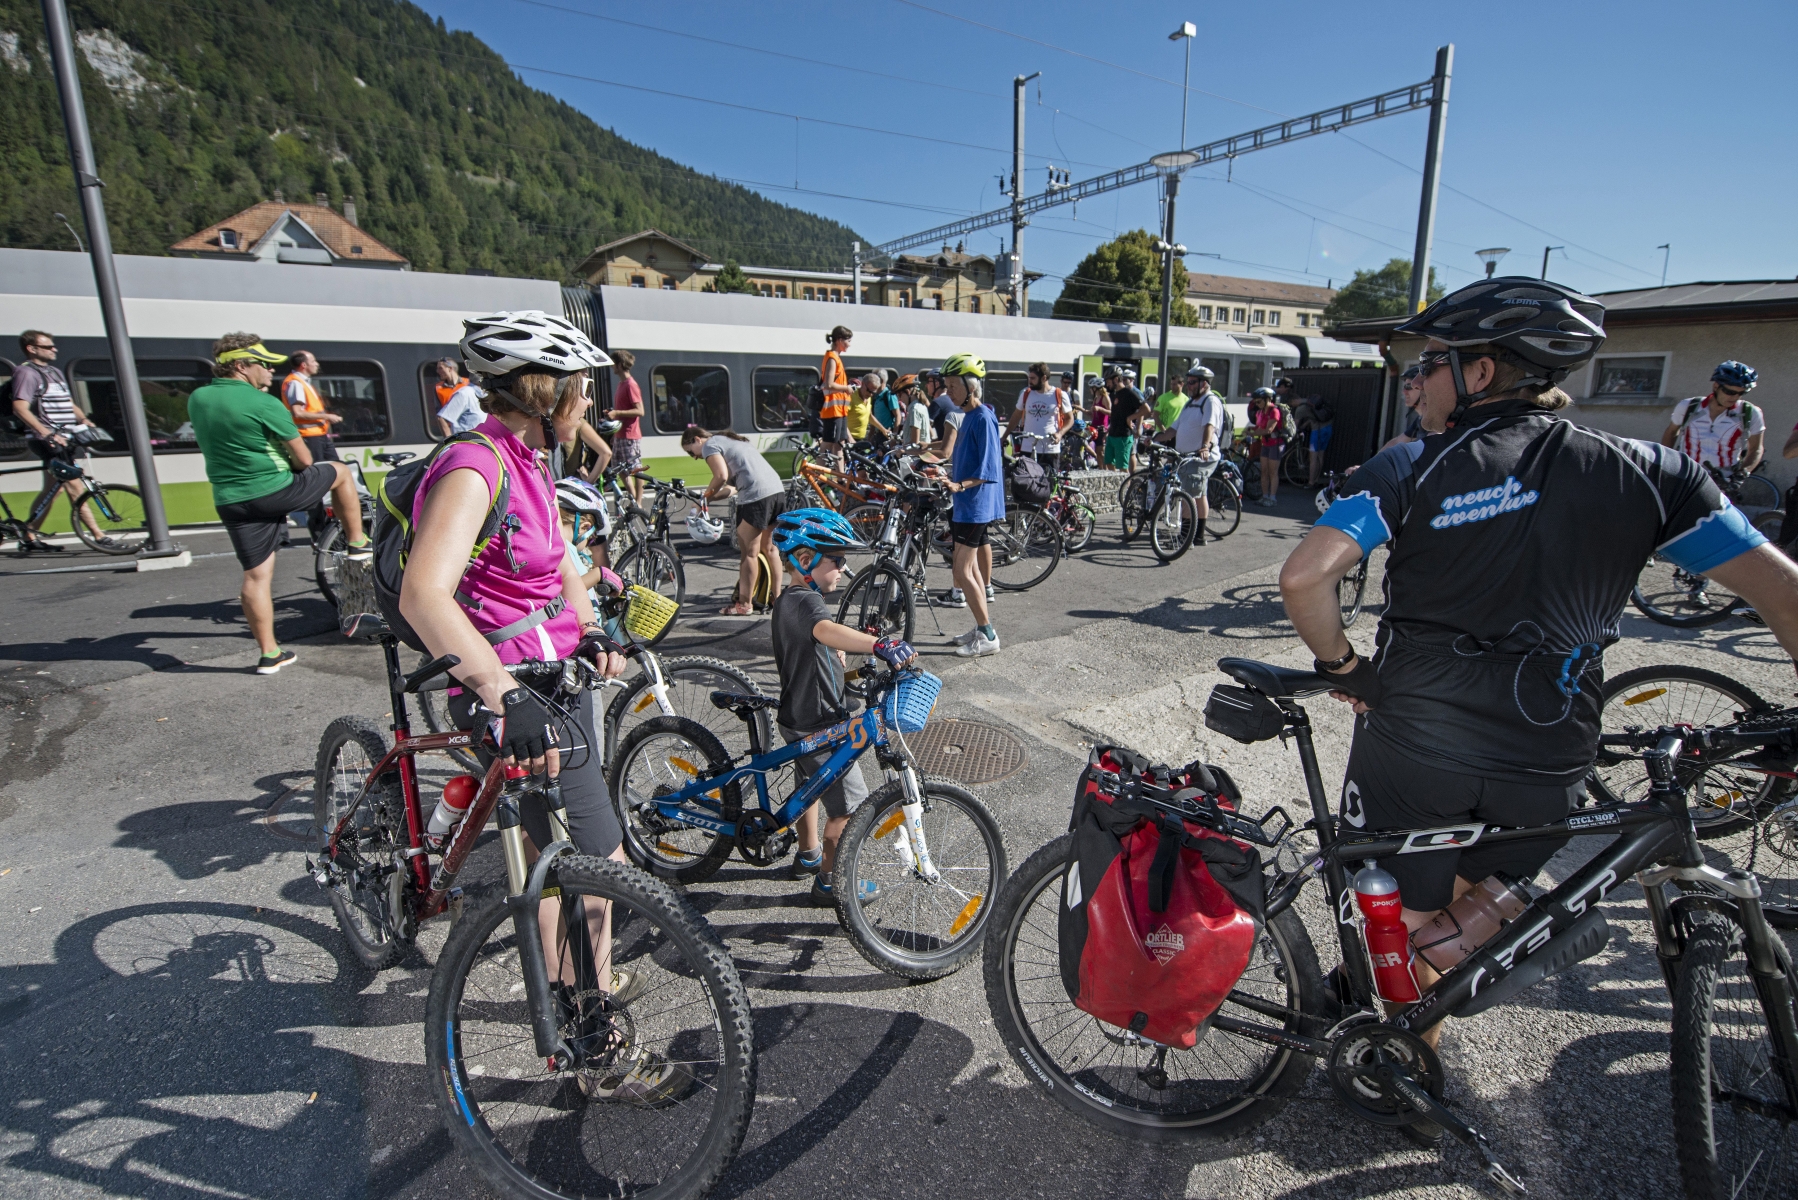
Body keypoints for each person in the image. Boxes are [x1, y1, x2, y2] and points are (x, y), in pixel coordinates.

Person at [1278, 278, 1798, 1070]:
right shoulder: (1656, 472)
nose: (1416, 383)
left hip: (1417, 740)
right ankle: (1405, 1018)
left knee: (1403, 919)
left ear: (1482, 374)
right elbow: (1785, 594)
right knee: (1464, 912)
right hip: (1551, 744)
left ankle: (1404, 1067)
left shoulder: (1410, 463)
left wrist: (1346, 666)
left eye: (1431, 364)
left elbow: (1305, 579)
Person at [399, 311, 679, 1102]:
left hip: (553, 679)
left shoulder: (529, 458)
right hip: (513, 692)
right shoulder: (473, 463)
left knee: (556, 860)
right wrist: (503, 693)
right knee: (599, 864)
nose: (588, 405)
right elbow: (426, 593)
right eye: (580, 391)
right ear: (545, 389)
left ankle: (566, 992)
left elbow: (557, 567)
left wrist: (594, 630)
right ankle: (593, 1045)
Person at [188, 334, 369, 675]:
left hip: (230, 499)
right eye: (264, 364)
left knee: (256, 577)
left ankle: (270, 654)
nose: (271, 370)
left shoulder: (198, 398)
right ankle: (358, 543)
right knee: (341, 473)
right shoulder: (264, 403)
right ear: (241, 366)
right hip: (273, 489)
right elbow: (302, 461)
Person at [770, 507, 918, 904]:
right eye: (837, 560)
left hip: (797, 716)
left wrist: (846, 671)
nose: (843, 569)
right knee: (848, 810)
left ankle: (808, 854)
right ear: (806, 560)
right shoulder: (807, 603)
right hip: (820, 723)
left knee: (809, 790)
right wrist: (878, 643)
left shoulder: (789, 600)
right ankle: (829, 883)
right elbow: (824, 630)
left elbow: (815, 645)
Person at [8, 328, 109, 548]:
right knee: (75, 486)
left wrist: (84, 420)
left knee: (55, 488)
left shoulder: (54, 371)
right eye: (48, 346)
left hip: (64, 436)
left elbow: (67, 402)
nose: (55, 349)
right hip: (48, 439)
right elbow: (20, 408)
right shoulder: (26, 373)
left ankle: (29, 535)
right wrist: (45, 432)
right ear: (32, 349)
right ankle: (99, 536)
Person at [936, 353, 1004, 653]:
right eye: (946, 385)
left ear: (971, 387)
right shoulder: (970, 417)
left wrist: (958, 484)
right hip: (967, 502)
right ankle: (981, 627)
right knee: (970, 569)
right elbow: (967, 461)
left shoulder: (983, 417)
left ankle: (988, 636)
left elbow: (988, 470)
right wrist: (947, 472)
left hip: (974, 504)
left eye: (952, 385)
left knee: (962, 571)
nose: (947, 391)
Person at [681, 425, 786, 615]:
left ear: (697, 439)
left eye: (691, 453)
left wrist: (702, 500)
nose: (696, 457)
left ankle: (744, 604)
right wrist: (708, 499)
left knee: (749, 553)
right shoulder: (731, 441)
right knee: (770, 549)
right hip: (776, 492)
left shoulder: (709, 445)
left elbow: (720, 476)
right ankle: (777, 599)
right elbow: (733, 488)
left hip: (756, 498)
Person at [1154, 365, 1222, 546]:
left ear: (1204, 383)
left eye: (1192, 382)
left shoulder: (1210, 401)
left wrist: (1205, 447)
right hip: (1187, 456)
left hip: (1199, 457)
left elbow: (1210, 425)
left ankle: (1185, 539)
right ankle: (1198, 536)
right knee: (1199, 495)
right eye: (1189, 382)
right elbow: (1173, 429)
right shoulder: (1190, 403)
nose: (1189, 386)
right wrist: (1155, 439)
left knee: (1187, 496)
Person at [1660, 360, 1764, 478]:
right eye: (1729, 392)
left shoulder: (1750, 413)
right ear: (1716, 386)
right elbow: (1671, 432)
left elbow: (1756, 448)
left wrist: (1743, 473)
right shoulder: (1688, 407)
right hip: (1687, 474)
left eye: (1741, 393)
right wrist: (1665, 463)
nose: (1734, 397)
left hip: (1724, 478)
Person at [1008, 361, 1074, 469]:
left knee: (1049, 483)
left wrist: (1060, 434)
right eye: (1029, 378)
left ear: (1044, 378)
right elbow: (1016, 416)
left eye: (1033, 378)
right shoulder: (1026, 393)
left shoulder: (1059, 395)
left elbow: (1070, 419)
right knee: (1027, 483)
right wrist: (1004, 436)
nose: (1030, 381)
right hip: (1028, 448)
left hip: (1050, 449)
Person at [281, 351, 341, 462]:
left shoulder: (304, 382)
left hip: (319, 434)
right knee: (319, 470)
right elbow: (297, 412)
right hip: (310, 436)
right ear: (304, 365)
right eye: (313, 361)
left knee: (336, 467)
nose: (317, 364)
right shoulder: (295, 383)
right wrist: (327, 417)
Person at [606, 349, 645, 502]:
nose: (612, 367)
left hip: (630, 435)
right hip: (620, 434)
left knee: (635, 469)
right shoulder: (622, 384)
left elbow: (640, 411)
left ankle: (639, 502)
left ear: (620, 365)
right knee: (620, 469)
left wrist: (616, 413)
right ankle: (633, 498)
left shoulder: (630, 385)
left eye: (614, 364)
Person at [818, 325, 854, 464]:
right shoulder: (832, 358)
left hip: (840, 411)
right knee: (827, 443)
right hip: (833, 411)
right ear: (839, 340)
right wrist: (846, 388)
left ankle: (841, 480)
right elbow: (829, 384)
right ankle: (818, 476)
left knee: (840, 444)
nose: (849, 345)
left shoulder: (836, 358)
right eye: (848, 341)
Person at [1247, 386, 1285, 506]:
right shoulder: (1259, 412)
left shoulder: (1274, 411)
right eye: (1255, 402)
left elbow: (1268, 430)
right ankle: (1264, 496)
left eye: (1259, 401)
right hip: (1265, 444)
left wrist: (1251, 433)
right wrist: (1250, 430)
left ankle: (1272, 498)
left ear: (1268, 399)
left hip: (1275, 444)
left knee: (1272, 472)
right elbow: (1259, 427)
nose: (1257, 404)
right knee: (1264, 471)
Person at [1103, 368, 1146, 472]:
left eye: (1108, 382)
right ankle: (1116, 484)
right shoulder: (1113, 394)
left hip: (1123, 436)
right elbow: (1116, 413)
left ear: (1116, 379)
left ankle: (1126, 486)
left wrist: (1130, 418)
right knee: (1108, 462)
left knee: (1122, 466)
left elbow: (1146, 409)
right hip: (1112, 434)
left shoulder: (1129, 393)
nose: (1107, 385)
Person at [1379, 364, 1427, 451]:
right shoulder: (1420, 421)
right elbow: (1396, 442)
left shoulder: (1434, 421)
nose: (1404, 392)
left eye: (1408, 386)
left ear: (1423, 388)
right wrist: (1370, 464)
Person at [434, 358, 484, 437]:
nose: (437, 371)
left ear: (450, 368)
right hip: (454, 429)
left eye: (440, 368)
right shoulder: (439, 388)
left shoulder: (468, 384)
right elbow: (440, 414)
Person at [922, 369, 961, 463]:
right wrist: (930, 444)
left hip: (945, 456)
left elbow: (924, 429)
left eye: (929, 382)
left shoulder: (937, 402)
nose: (926, 385)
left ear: (937, 383)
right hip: (956, 452)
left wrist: (916, 449)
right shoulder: (951, 400)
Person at [845, 373, 882, 447]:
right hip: (847, 439)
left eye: (873, 393)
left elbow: (869, 416)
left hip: (860, 439)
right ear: (862, 384)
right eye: (869, 390)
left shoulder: (868, 397)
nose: (870, 394)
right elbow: (841, 419)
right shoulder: (851, 396)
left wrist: (884, 431)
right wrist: (850, 439)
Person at [868, 372, 901, 453]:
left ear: (881, 381)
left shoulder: (888, 395)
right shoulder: (876, 397)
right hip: (877, 435)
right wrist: (870, 435)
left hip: (886, 436)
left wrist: (894, 436)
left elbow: (898, 415)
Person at [901, 377, 932, 448]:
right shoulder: (921, 406)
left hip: (916, 456)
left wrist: (901, 448)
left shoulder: (914, 409)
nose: (899, 399)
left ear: (908, 392)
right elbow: (931, 434)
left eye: (900, 395)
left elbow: (915, 442)